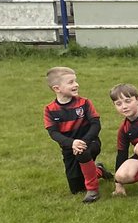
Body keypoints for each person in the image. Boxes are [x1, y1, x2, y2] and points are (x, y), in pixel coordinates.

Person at [43, 66, 103, 203]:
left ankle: (93, 190)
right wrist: (72, 143)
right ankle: (98, 170)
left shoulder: (85, 103)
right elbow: (53, 133)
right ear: (57, 89)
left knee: (83, 152)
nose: (76, 84)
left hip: (90, 143)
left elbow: (96, 124)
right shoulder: (49, 109)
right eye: (70, 82)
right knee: (76, 188)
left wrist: (83, 142)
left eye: (75, 81)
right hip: (69, 148)